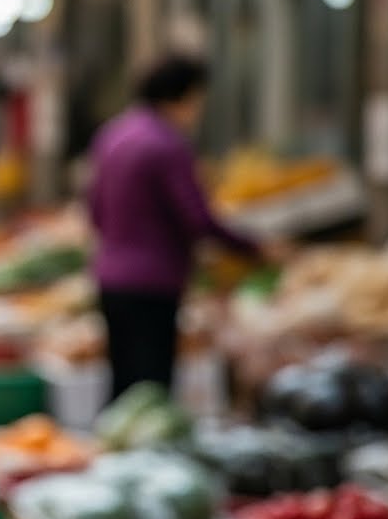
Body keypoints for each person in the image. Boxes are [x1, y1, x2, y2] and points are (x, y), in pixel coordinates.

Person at [87, 55, 271, 402]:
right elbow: (198, 219)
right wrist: (254, 247)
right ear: (183, 96)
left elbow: (95, 210)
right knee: (152, 389)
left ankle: (116, 437)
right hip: (153, 282)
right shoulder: (167, 145)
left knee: (123, 383)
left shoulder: (112, 135)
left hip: (110, 277)